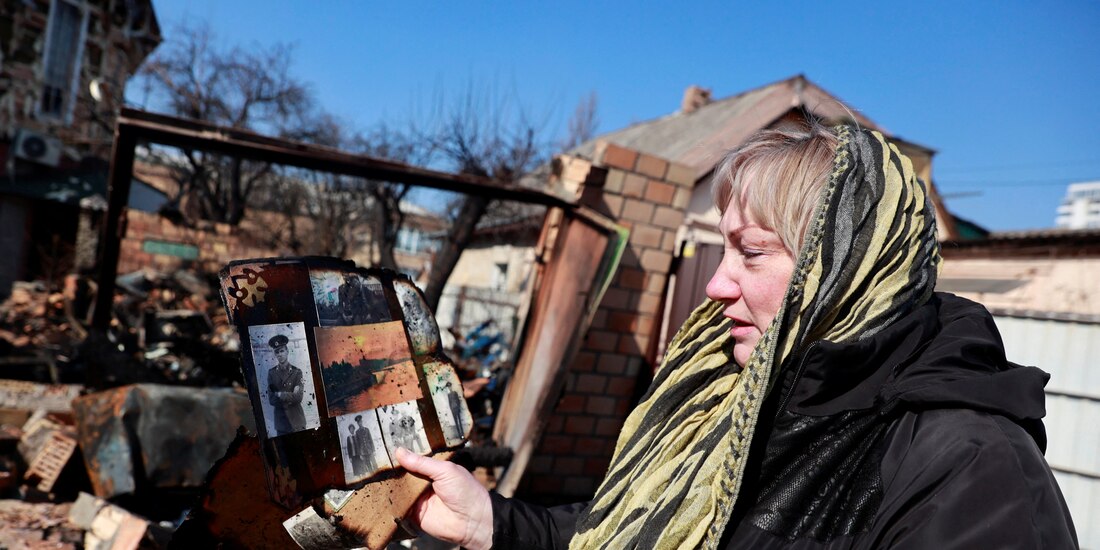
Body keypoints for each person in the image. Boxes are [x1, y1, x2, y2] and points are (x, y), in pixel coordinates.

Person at [393, 122, 1078, 549]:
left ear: (843, 272)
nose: (717, 286)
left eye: (750, 253)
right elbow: (641, 531)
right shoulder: (747, 402)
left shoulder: (976, 477)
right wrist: (493, 524)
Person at [266, 334, 307, 435]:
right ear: (275, 354)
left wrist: (280, 394)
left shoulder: (297, 372)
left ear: (287, 351)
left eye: (282, 351)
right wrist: (290, 395)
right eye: (277, 352)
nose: (280, 354)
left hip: (297, 421)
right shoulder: (271, 373)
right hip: (281, 423)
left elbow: (298, 398)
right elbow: (271, 400)